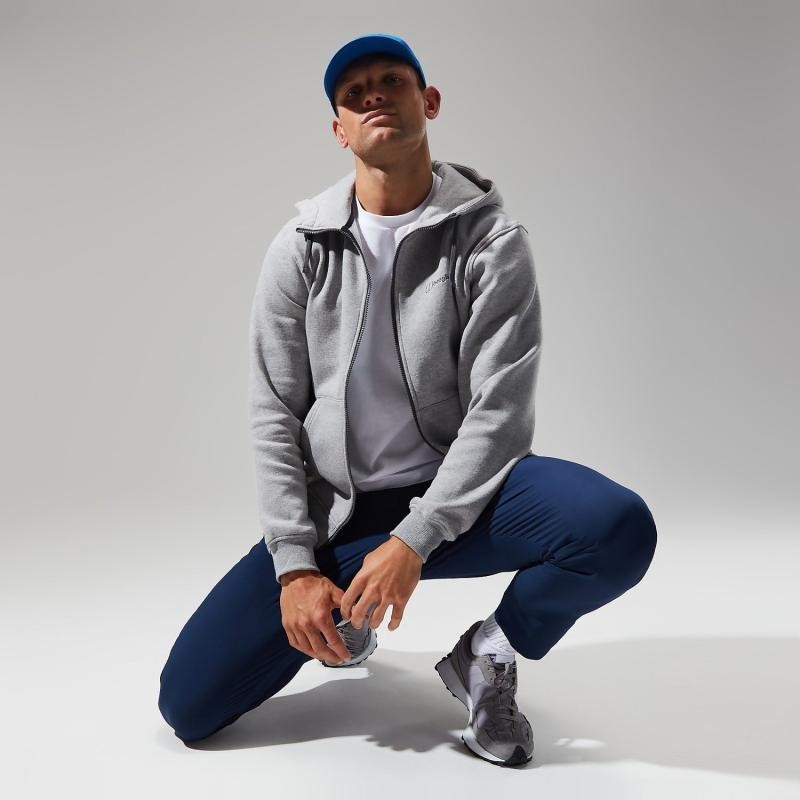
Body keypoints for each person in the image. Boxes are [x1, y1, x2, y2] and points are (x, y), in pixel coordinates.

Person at [158, 33, 658, 768]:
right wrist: (295, 566)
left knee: (615, 527)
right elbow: (274, 414)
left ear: (429, 101)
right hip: (343, 514)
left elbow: (499, 413)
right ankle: (347, 617)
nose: (373, 97)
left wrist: (415, 541)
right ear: (339, 129)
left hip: (467, 500)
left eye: (391, 81)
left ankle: (489, 653)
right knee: (188, 704)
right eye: (353, 93)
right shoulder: (301, 247)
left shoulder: (491, 241)